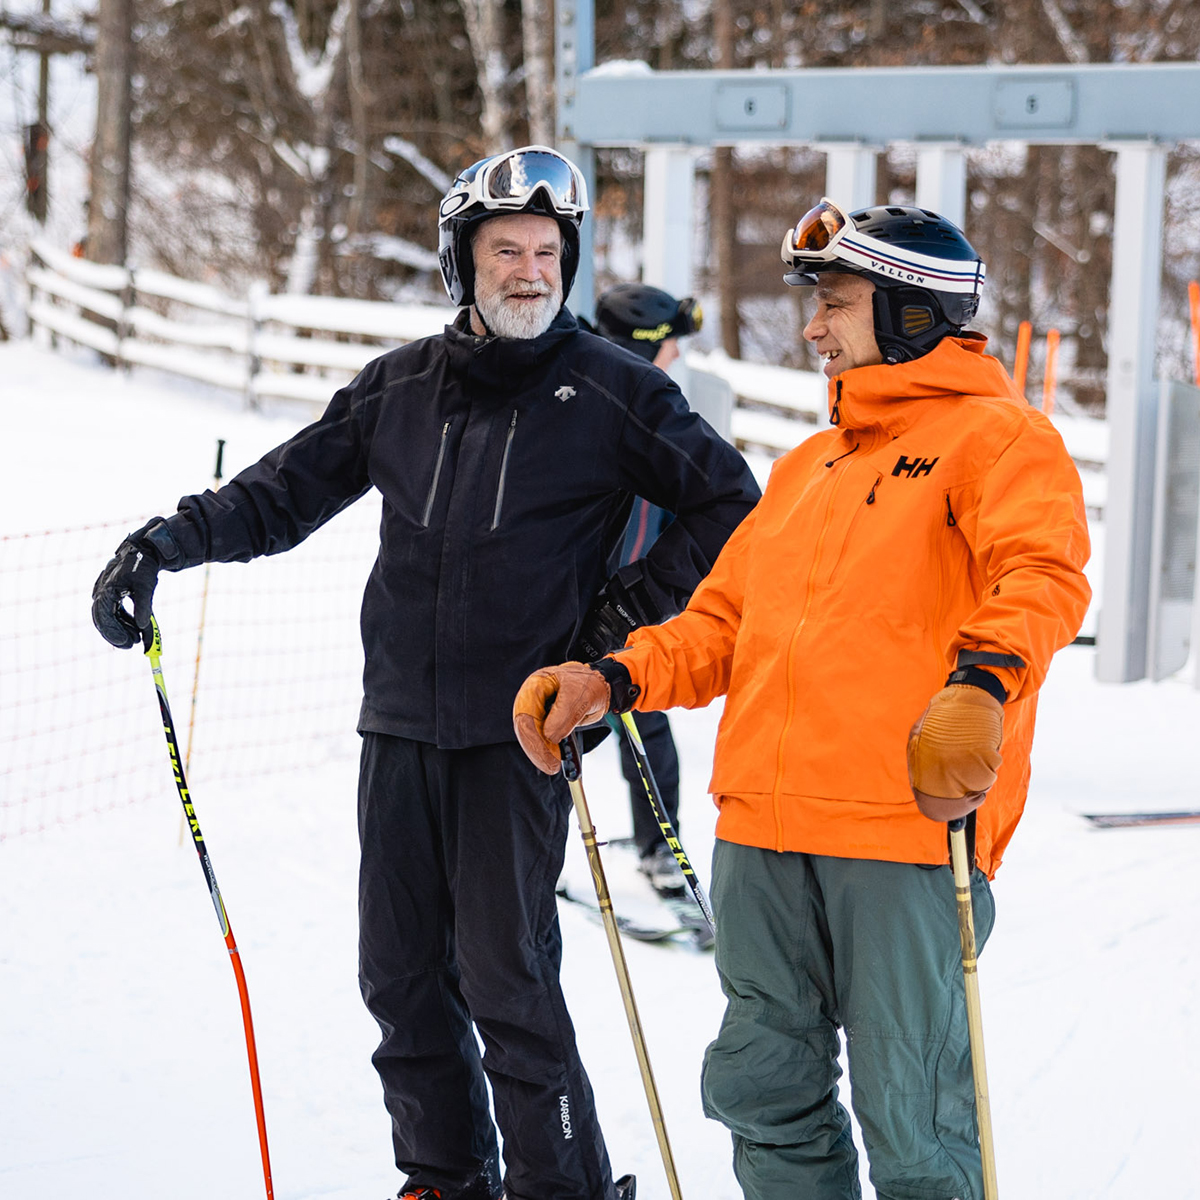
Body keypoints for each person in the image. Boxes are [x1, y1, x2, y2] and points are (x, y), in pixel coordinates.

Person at [90, 145, 760, 1200]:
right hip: (399, 721)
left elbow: (733, 509)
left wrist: (613, 627)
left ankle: (561, 1190)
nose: (532, 270)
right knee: (399, 978)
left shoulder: (615, 392)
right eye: (508, 251)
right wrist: (162, 545)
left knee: (508, 982)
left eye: (548, 251)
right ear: (464, 263)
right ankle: (445, 1178)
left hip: (523, 730)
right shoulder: (399, 388)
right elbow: (278, 496)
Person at [513, 197, 1091, 1200]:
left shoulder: (999, 440)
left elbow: (1040, 576)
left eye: (837, 303)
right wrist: (611, 675)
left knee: (914, 1117)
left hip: (901, 834)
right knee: (761, 1088)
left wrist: (984, 687)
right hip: (763, 835)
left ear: (912, 310)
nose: (813, 328)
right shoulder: (809, 466)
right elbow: (724, 623)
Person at [583, 282, 704, 895]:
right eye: (670, 345)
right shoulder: (597, 409)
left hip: (636, 616)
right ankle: (532, 850)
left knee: (646, 731)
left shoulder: (660, 415)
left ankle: (659, 851)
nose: (677, 357)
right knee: (566, 735)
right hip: (578, 618)